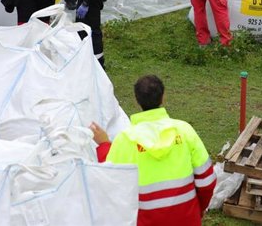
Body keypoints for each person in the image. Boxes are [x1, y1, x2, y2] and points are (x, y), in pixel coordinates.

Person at [90, 75, 216, 226]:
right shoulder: (184, 130)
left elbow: (111, 177)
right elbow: (207, 182)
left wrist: (104, 144)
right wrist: (197, 210)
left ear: (137, 101)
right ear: (163, 97)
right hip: (187, 218)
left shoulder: (126, 139)